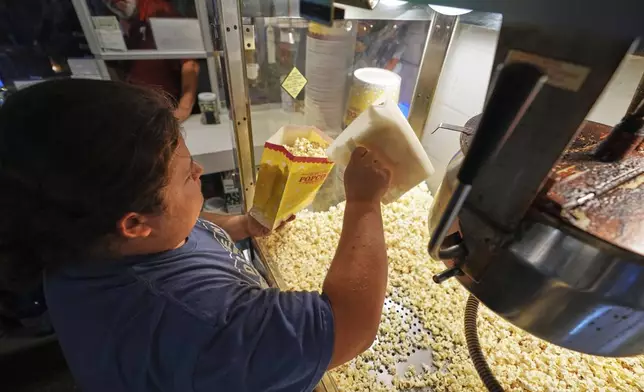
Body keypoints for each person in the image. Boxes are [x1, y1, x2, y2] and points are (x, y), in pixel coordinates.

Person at [0, 79, 392, 392]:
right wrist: (363, 203)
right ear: (134, 223)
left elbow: (179, 227)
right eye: (187, 175)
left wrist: (241, 226)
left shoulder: (75, 241)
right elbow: (351, 326)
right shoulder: (202, 320)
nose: (200, 169)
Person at [101, 0, 199, 122]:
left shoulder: (163, 16)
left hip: (161, 105)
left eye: (118, 1)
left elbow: (190, 64)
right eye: (111, 3)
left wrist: (184, 108)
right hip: (137, 103)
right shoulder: (134, 24)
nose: (116, 5)